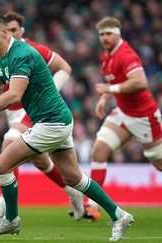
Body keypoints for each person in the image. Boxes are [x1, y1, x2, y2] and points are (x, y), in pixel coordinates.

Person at [0, 13, 134, 241]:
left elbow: (14, 95)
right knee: (73, 178)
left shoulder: (21, 55)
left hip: (50, 122)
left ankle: (11, 219)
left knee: (2, 164)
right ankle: (118, 214)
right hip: (56, 120)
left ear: (5, 32)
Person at [0, 11, 85, 221]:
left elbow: (65, 67)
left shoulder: (33, 50)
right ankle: (74, 193)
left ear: (20, 31)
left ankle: (4, 208)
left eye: (15, 30)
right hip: (12, 110)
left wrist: (49, 91)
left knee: (8, 146)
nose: (11, 34)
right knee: (41, 161)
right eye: (7, 30)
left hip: (33, 110)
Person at [85, 16, 162, 220]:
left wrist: (110, 89)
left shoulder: (126, 55)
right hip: (123, 113)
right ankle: (93, 206)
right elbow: (118, 81)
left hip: (144, 116)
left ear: (117, 34)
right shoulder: (106, 56)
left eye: (108, 33)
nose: (104, 37)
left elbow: (141, 82)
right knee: (98, 151)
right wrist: (105, 96)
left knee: (159, 164)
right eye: (101, 34)